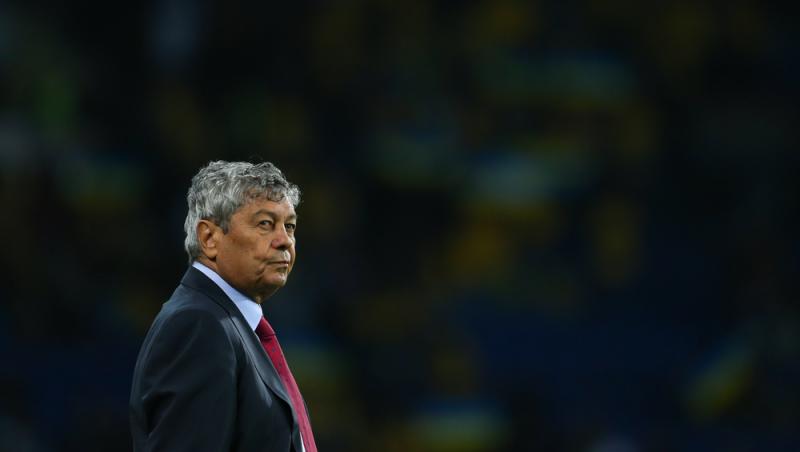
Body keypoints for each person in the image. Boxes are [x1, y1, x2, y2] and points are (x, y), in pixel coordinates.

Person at [130, 160, 317, 452]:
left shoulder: (232, 326)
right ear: (209, 237)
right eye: (265, 224)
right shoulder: (199, 325)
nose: (284, 241)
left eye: (289, 226)